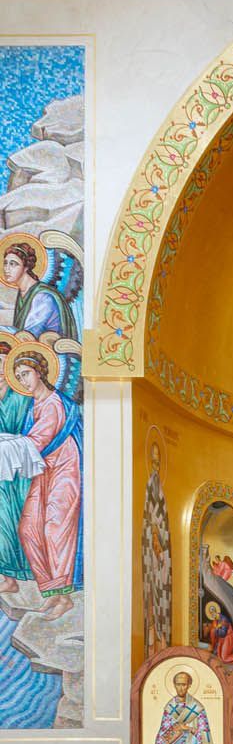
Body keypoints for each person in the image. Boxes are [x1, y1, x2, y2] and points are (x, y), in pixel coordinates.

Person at [10, 348, 81, 620]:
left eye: (26, 373)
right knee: (28, 528)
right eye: (19, 376)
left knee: (55, 527)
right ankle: (51, 592)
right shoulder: (34, 405)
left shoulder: (53, 403)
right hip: (44, 470)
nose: (24, 380)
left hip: (65, 468)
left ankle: (64, 597)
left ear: (39, 372)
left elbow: (37, 440)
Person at [0, 336, 34, 593]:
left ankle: (20, 573)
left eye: (3, 365)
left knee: (16, 519)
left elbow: (30, 431)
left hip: (17, 472)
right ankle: (6, 577)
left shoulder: (22, 396)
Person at [2, 240, 78, 340]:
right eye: (5, 263)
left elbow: (28, 334)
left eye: (13, 264)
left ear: (26, 267)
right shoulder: (24, 293)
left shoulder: (42, 297)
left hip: (52, 352)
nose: (6, 269)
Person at [141, 439, 171, 655]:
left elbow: (164, 530)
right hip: (149, 561)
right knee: (150, 605)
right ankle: (151, 647)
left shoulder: (160, 494)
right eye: (152, 461)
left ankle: (161, 646)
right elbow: (148, 522)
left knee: (160, 604)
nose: (155, 466)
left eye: (158, 462)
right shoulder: (149, 489)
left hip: (160, 563)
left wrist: (160, 543)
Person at [154, 670, 214, 744]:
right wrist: (177, 728)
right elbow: (162, 736)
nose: (181, 688)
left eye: (184, 685)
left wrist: (189, 729)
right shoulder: (170, 707)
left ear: (189, 685)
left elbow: (205, 736)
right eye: (178, 684)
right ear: (174, 685)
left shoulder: (197, 707)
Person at [203, 599, 233, 663]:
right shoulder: (215, 621)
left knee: (224, 658)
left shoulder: (223, 619)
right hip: (221, 640)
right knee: (219, 658)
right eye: (211, 613)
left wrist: (216, 629)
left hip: (228, 638)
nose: (212, 614)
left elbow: (223, 633)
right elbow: (214, 633)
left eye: (213, 612)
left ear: (217, 611)